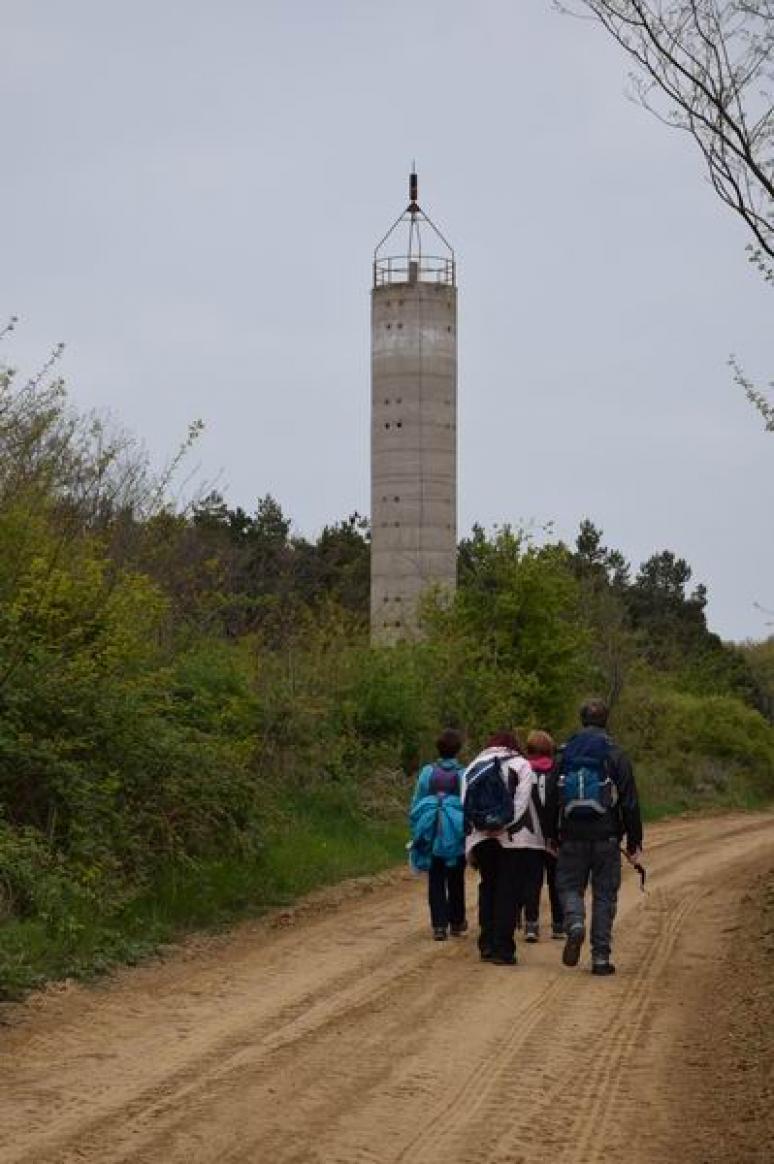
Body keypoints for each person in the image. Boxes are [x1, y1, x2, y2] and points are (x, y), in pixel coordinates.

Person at [552, 698, 643, 976]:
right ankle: (601, 958)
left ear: (582, 720)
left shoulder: (564, 753)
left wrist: (550, 834)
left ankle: (575, 921)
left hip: (570, 835)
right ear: (606, 721)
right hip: (607, 837)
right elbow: (629, 801)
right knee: (604, 896)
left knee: (568, 886)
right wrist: (634, 841)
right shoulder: (615, 754)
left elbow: (549, 797)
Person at [463, 731, 535, 965]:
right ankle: (503, 948)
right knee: (508, 891)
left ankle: (486, 944)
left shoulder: (473, 766)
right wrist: (502, 824)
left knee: (488, 887)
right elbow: (522, 803)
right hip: (513, 840)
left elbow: (465, 804)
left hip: (481, 839)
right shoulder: (522, 765)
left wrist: (483, 827)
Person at [409, 728, 467, 941]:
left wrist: (416, 827)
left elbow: (417, 800)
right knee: (456, 876)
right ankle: (457, 921)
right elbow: (466, 802)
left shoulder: (427, 772)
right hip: (455, 830)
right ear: (458, 750)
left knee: (435, 878)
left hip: (432, 828)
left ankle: (439, 925)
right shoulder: (463, 773)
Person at [525, 730, 564, 941]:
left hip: (529, 837)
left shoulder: (522, 771)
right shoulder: (558, 772)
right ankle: (559, 924)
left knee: (532, 881)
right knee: (556, 880)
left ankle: (531, 924)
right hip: (554, 837)